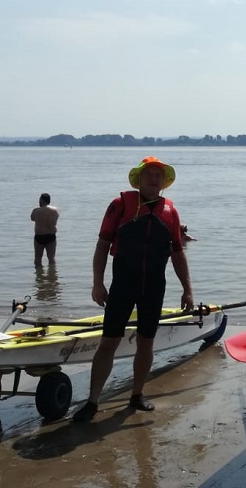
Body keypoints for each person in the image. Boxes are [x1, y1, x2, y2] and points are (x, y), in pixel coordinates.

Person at [72, 156, 194, 422]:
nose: (154, 178)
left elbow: (176, 251)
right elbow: (103, 245)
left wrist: (187, 289)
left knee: (146, 342)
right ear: (138, 179)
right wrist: (97, 283)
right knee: (109, 342)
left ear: (165, 182)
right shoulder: (120, 205)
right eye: (149, 173)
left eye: (158, 175)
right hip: (123, 284)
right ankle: (92, 401)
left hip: (153, 286)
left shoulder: (170, 212)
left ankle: (137, 395)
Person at [30, 193, 59, 265]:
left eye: (39, 200)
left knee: (37, 258)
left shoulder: (36, 211)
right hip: (51, 236)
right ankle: (52, 274)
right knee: (51, 258)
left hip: (39, 236)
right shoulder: (55, 211)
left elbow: (32, 218)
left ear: (42, 200)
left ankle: (38, 275)